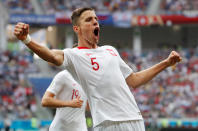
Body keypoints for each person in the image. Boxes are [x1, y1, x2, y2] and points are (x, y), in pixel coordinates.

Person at [14, 7, 182, 131]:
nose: (95, 21)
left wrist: (166, 63)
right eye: (88, 20)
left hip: (135, 120)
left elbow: (135, 80)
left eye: (95, 18)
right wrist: (27, 39)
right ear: (76, 29)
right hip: (108, 124)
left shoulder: (110, 50)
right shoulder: (73, 55)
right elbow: (51, 55)